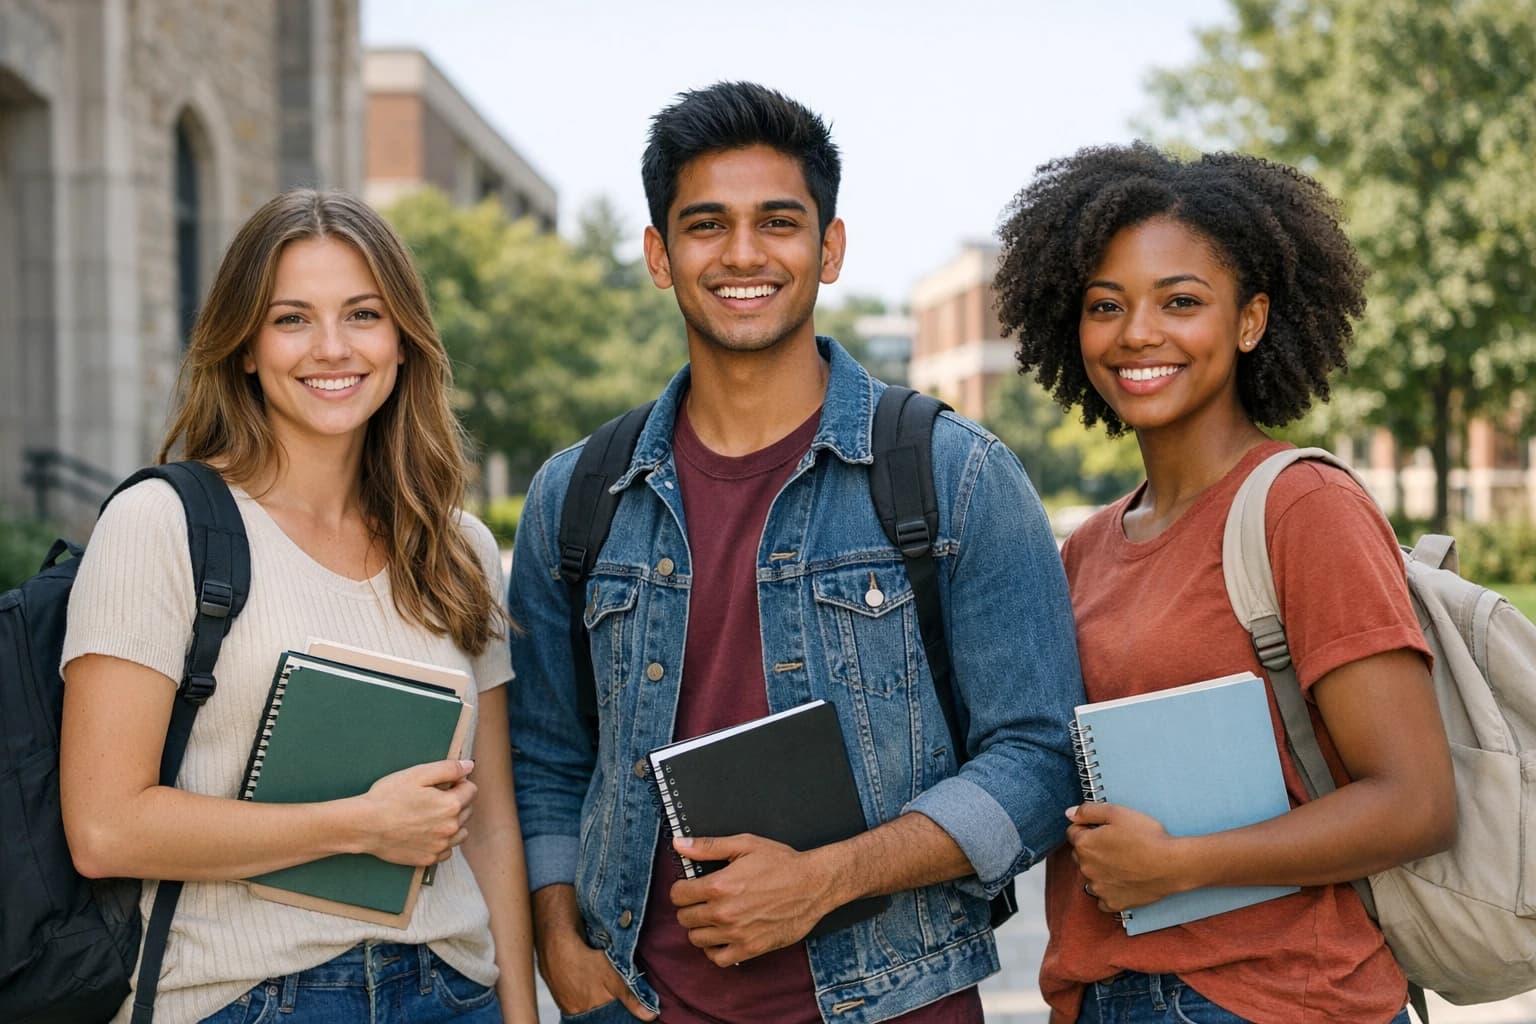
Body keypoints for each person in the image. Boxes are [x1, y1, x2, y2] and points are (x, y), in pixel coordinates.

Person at [506, 81, 1085, 1024]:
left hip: (897, 1001)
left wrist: (827, 879)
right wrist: (559, 947)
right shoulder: (573, 497)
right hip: (637, 1004)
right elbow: (546, 757)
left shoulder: (954, 474)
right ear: (660, 255)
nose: (743, 253)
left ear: (830, 247)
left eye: (778, 220)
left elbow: (1042, 755)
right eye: (706, 224)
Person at [992, 143, 1457, 1024]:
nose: (1138, 333)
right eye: (1106, 305)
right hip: (1109, 998)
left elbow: (1417, 801)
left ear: (1250, 321)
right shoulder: (1086, 548)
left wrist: (1185, 863)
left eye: (1181, 301)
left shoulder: (1303, 507)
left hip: (1282, 996)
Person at [59, 189, 537, 1024]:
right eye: (291, 319)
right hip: (247, 999)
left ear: (401, 339)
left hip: (454, 992)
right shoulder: (162, 525)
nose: (331, 348)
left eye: (362, 314)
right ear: (244, 346)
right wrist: (357, 826)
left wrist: (520, 1013)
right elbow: (105, 828)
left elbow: (491, 824)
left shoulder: (455, 547)